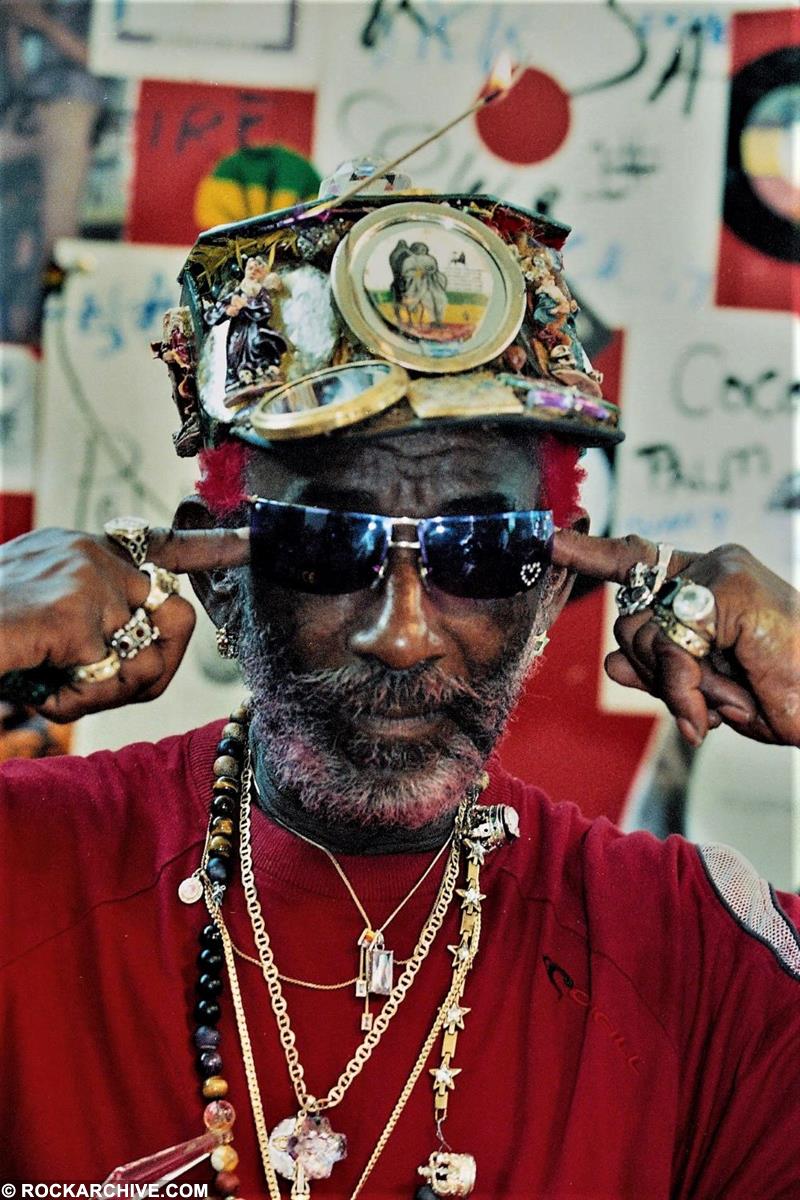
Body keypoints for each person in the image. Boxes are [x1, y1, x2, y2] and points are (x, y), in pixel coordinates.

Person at [1, 180, 798, 1199]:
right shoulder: (26, 866)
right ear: (219, 580)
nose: (403, 632)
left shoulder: (691, 960)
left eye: (480, 550)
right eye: (328, 544)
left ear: (553, 583)